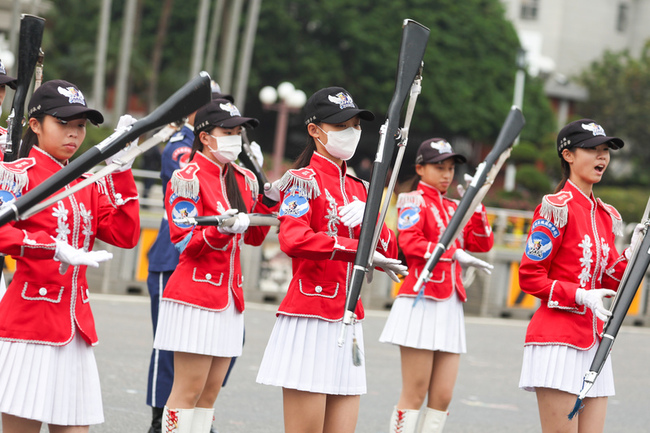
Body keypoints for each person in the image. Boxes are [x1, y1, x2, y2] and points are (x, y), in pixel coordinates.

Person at [256, 86, 407, 433]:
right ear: (315, 130)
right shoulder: (302, 181)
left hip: (348, 317)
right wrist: (352, 246)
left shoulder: (362, 189)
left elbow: (390, 247)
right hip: (310, 316)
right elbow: (293, 239)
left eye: (355, 125)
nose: (351, 133)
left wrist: (372, 223)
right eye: (341, 126)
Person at [0, 79, 140, 432]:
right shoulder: (17, 173)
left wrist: (122, 170)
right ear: (35, 124)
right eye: (63, 123)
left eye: (79, 126)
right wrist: (51, 247)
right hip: (30, 324)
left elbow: (125, 235)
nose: (73, 134)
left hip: (76, 326)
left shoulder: (86, 180)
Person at [153, 99, 277, 433]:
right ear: (205, 137)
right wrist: (219, 230)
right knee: (188, 390)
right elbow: (183, 239)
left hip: (229, 298)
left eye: (239, 132)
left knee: (209, 395)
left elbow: (252, 238)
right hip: (195, 295)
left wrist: (269, 199)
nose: (236, 138)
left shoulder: (243, 179)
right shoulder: (187, 177)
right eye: (228, 131)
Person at [518, 119, 633, 433]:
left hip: (595, 340)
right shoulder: (555, 208)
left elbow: (607, 282)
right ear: (567, 155)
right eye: (592, 150)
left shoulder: (607, 215)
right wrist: (579, 294)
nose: (602, 157)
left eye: (605, 151)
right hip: (558, 341)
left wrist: (633, 255)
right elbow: (530, 277)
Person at [379, 138, 494, 433]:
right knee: (415, 392)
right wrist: (451, 252)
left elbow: (482, 241)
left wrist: (476, 201)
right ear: (420, 168)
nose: (446, 174)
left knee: (443, 396)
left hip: (450, 302)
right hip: (423, 298)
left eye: (451, 168)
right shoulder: (412, 201)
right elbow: (411, 243)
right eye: (439, 167)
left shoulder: (456, 206)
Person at [144, 86, 235, 433]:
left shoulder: (230, 167)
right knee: (168, 348)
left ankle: (195, 415)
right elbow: (187, 185)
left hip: (219, 277)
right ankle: (160, 414)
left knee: (216, 359)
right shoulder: (181, 144)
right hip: (175, 256)